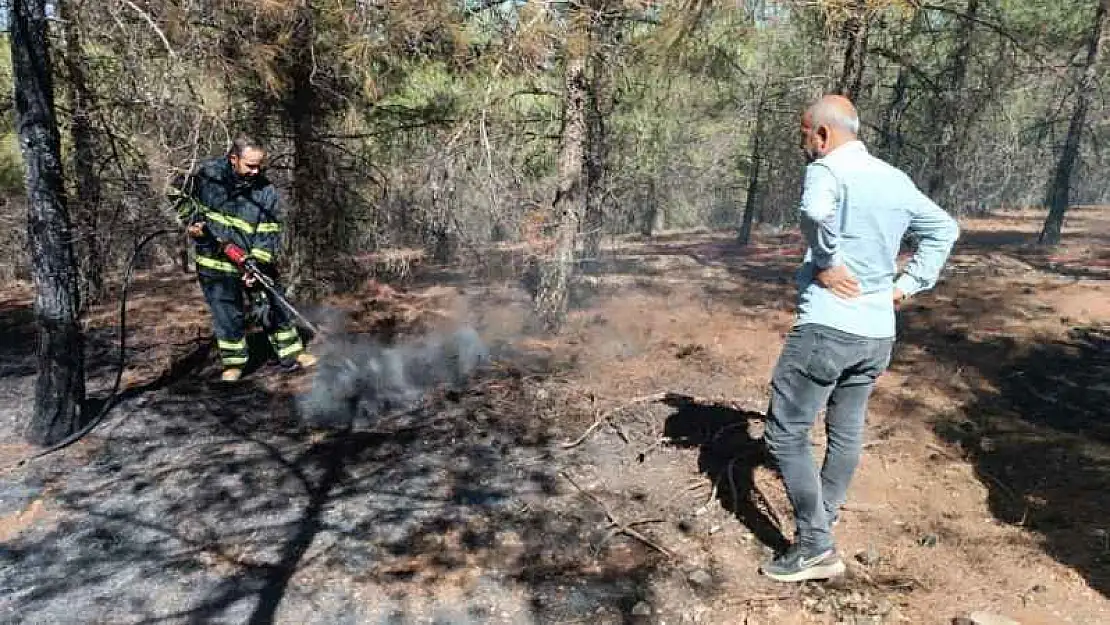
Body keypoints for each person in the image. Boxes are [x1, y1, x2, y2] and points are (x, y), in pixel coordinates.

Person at [758, 95, 960, 582]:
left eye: (805, 136)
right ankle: (822, 525)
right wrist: (906, 287)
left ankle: (814, 547)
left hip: (829, 328)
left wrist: (827, 263)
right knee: (845, 430)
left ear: (822, 134)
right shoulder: (893, 177)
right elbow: (945, 228)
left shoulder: (827, 170)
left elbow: (815, 212)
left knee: (785, 432)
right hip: (876, 335)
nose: (805, 146)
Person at [170, 135, 317, 382]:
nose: (255, 171)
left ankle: (292, 352)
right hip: (213, 262)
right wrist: (192, 220)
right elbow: (175, 191)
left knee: (273, 303)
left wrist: (256, 263)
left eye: (260, 166)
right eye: (250, 166)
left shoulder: (266, 191)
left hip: (250, 261)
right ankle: (235, 363)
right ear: (233, 159)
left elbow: (268, 230)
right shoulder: (207, 175)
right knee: (227, 313)